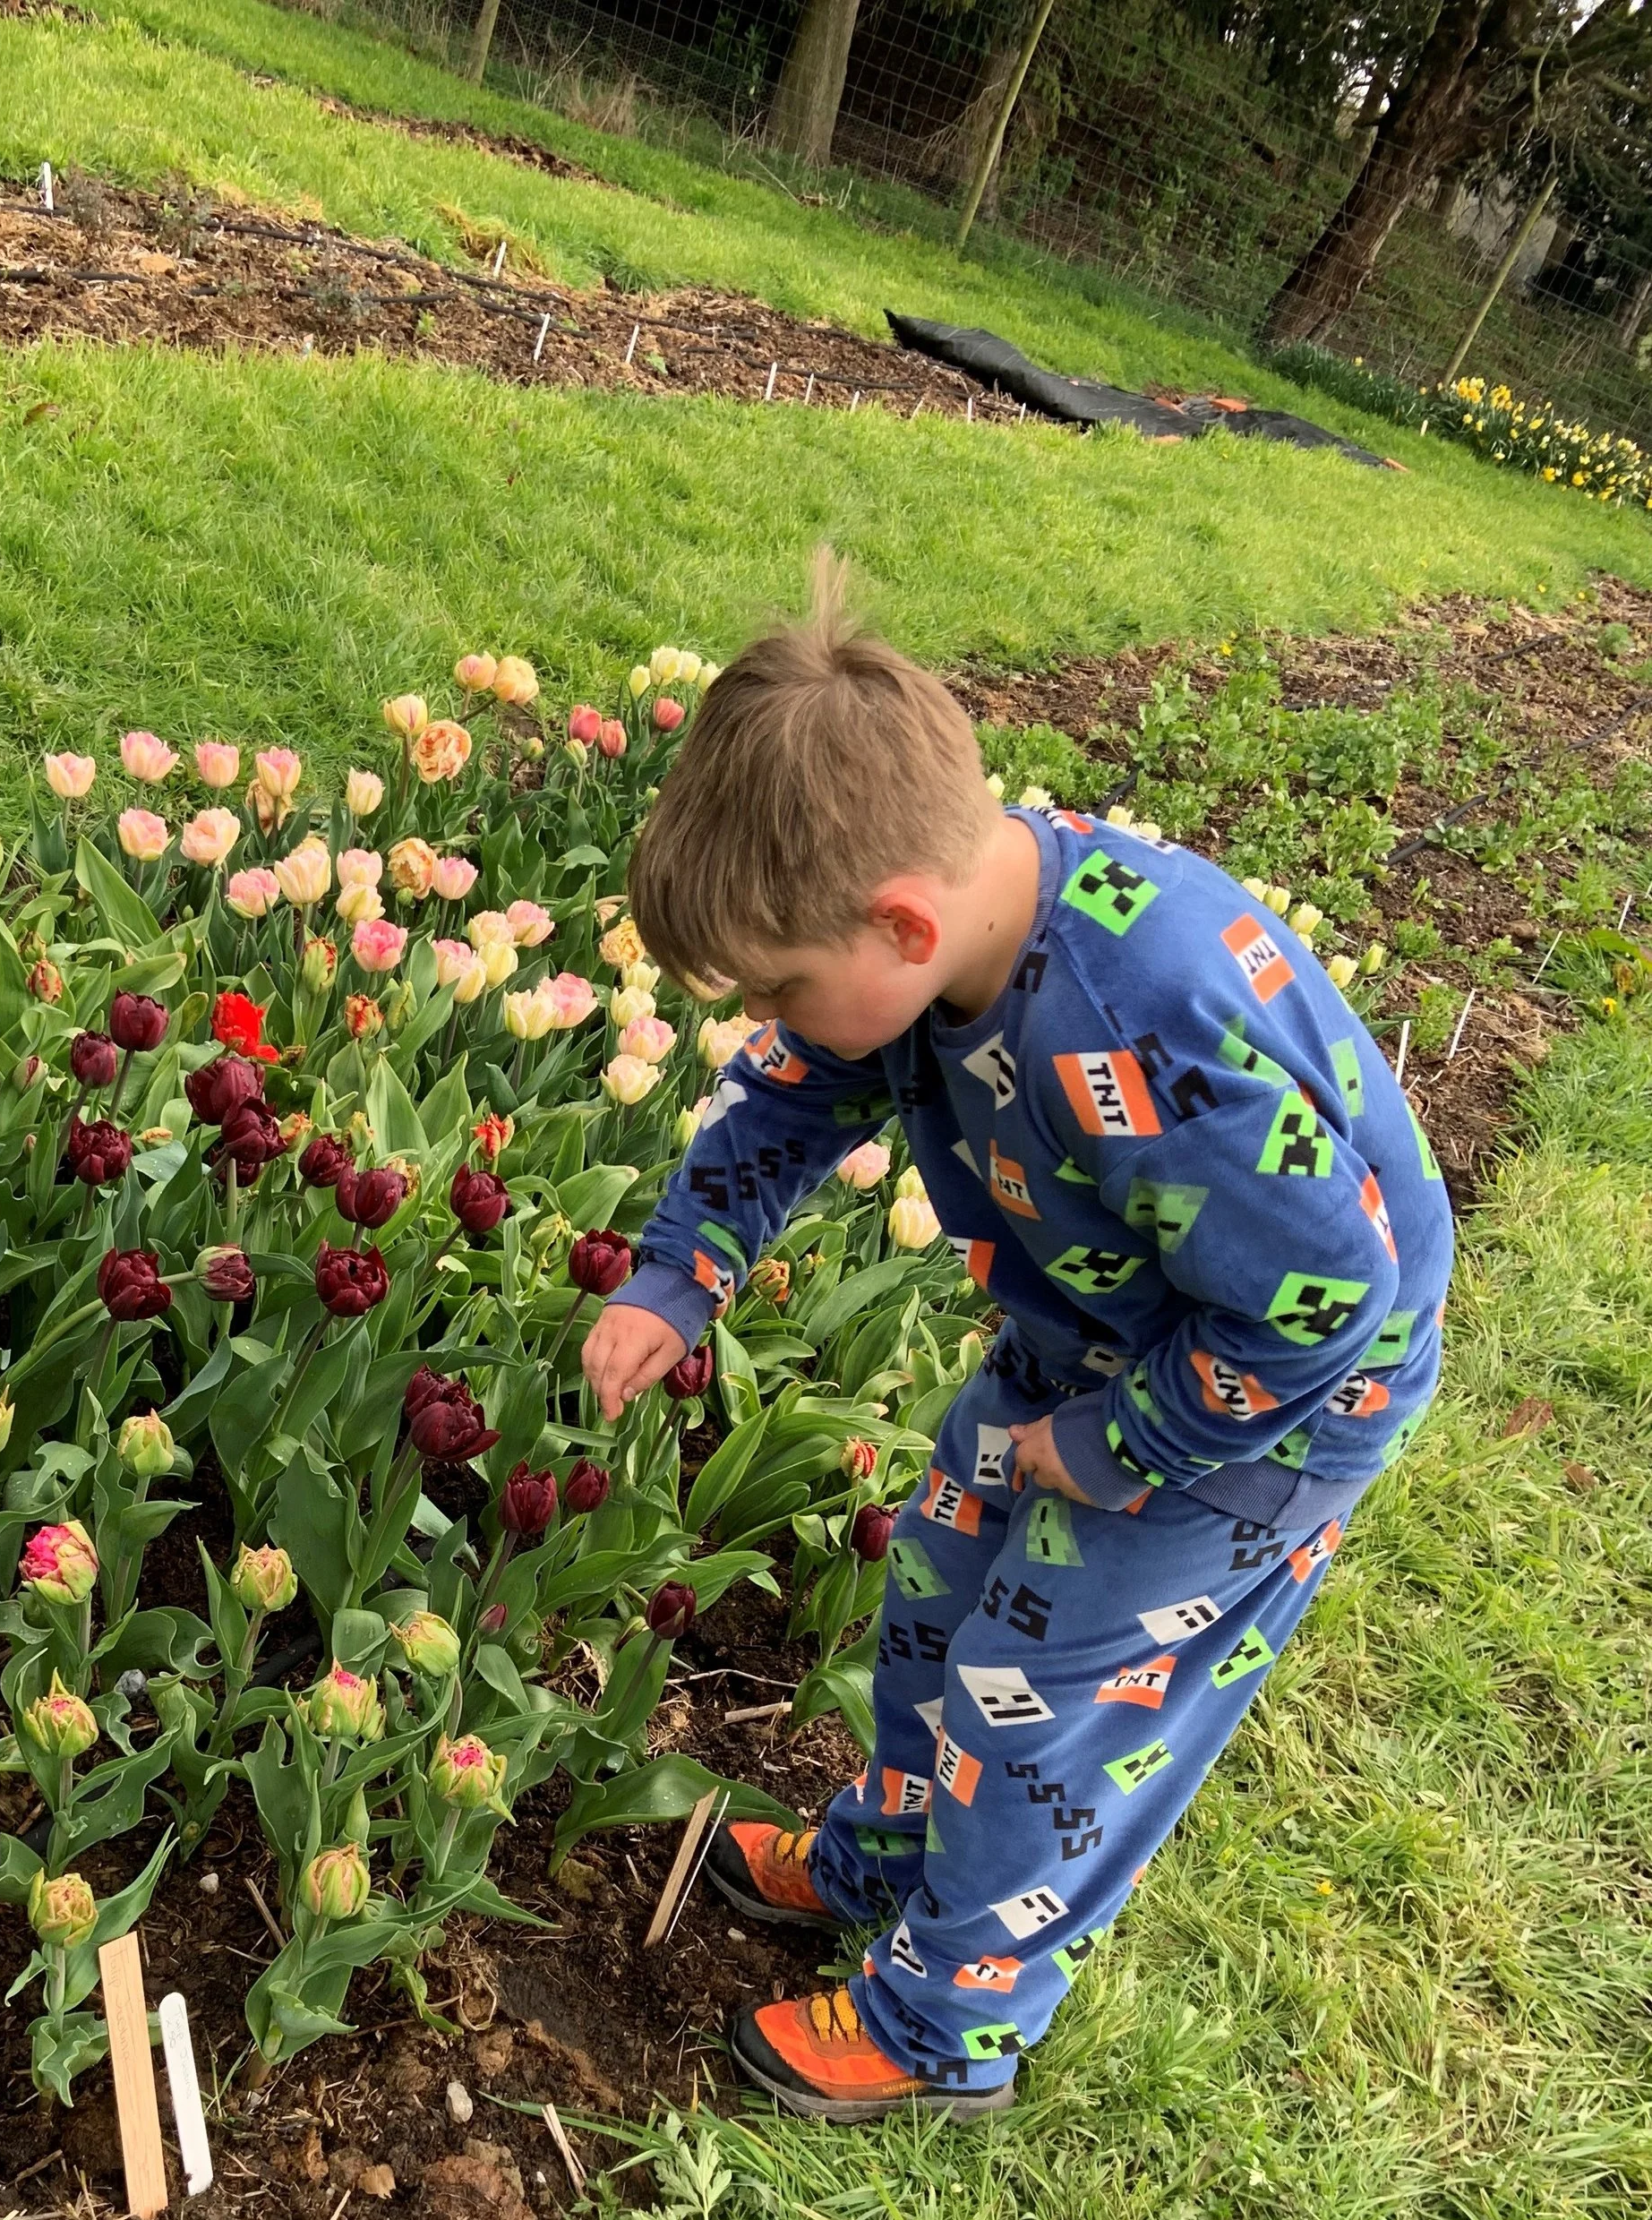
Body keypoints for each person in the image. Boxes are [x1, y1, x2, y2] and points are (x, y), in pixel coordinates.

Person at [580, 566, 1452, 2123]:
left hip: (1262, 1405)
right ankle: (886, 1861)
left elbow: (1327, 1295)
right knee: (938, 1582)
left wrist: (1133, 1446)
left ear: (899, 922)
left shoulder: (1147, 1019)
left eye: (788, 983)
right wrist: (676, 1276)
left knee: (1043, 1697)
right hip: (1110, 1330)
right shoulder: (937, 955)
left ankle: (945, 2027)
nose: (784, 1017)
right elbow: (787, 1100)